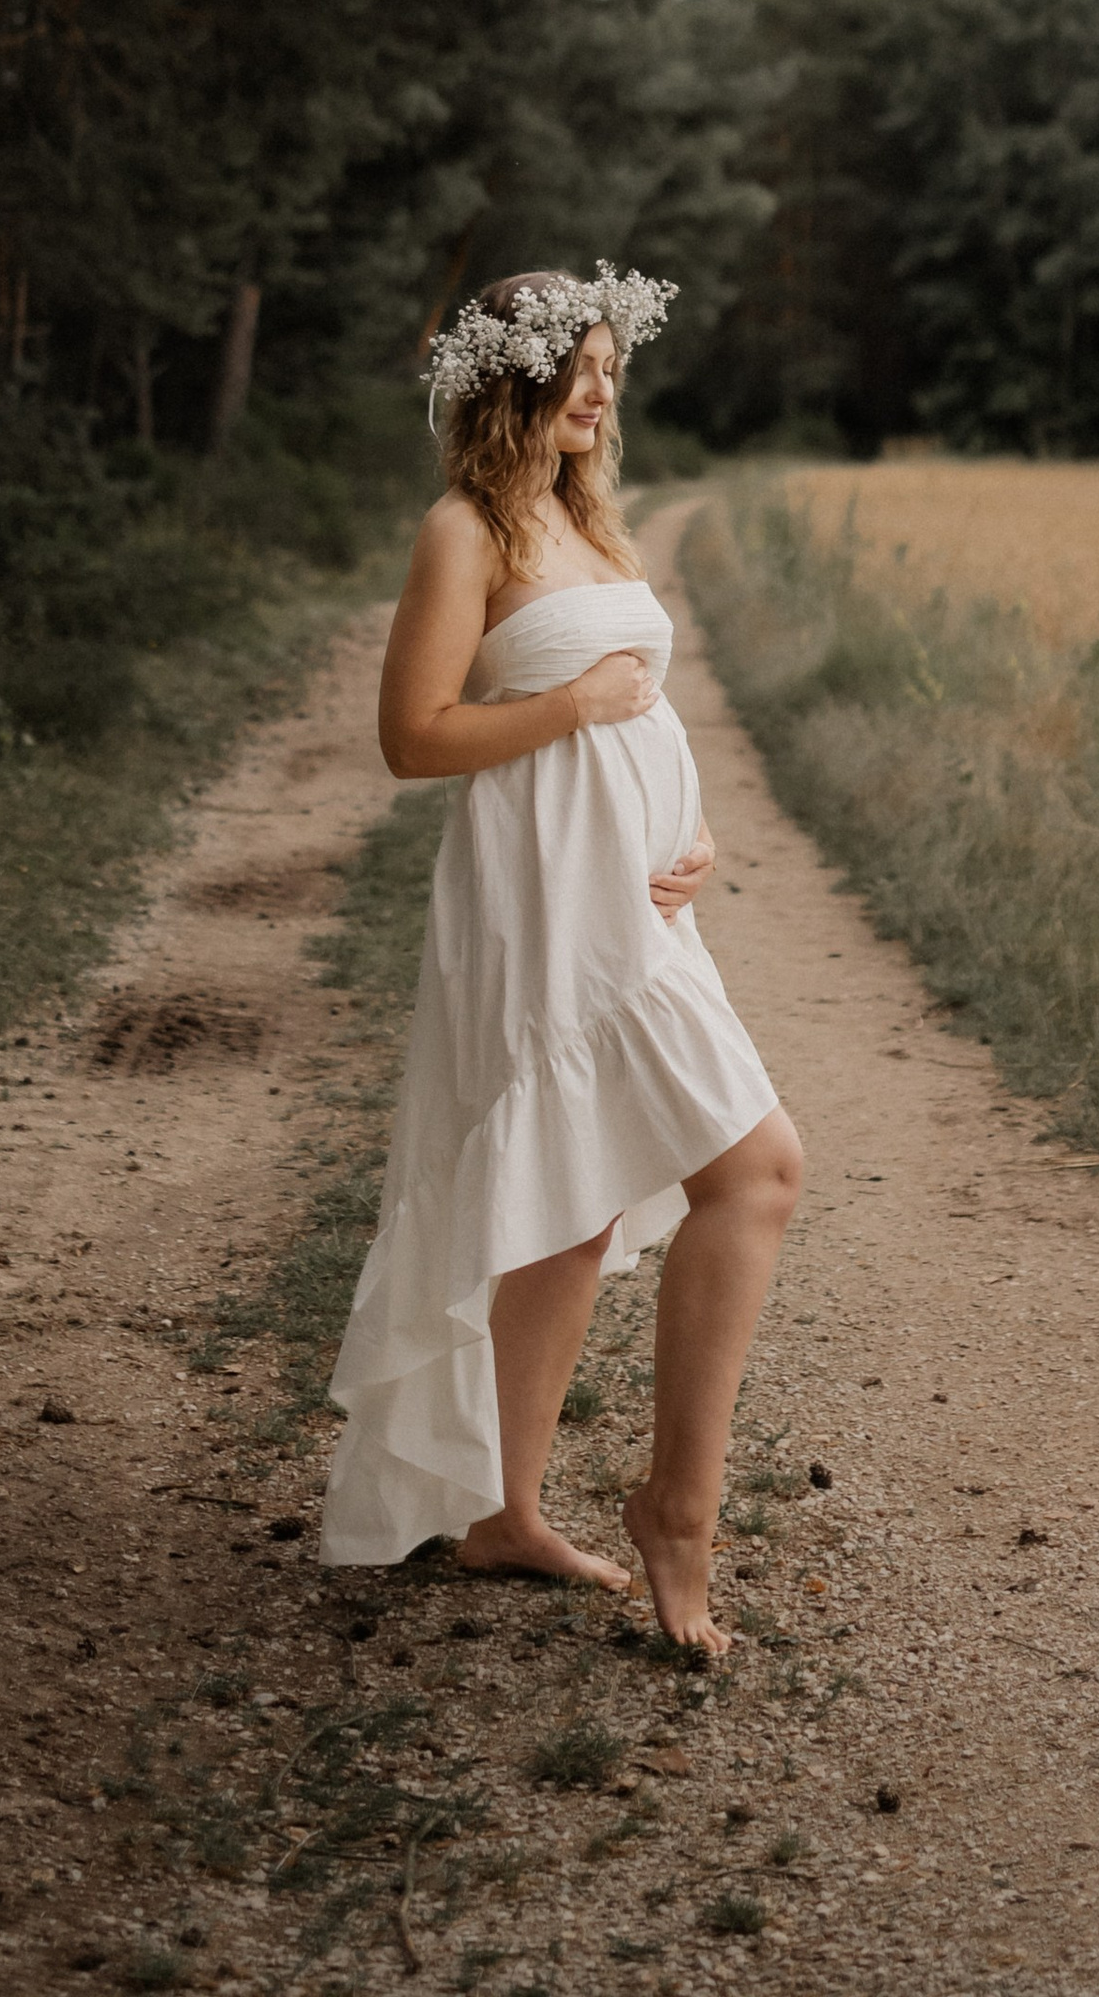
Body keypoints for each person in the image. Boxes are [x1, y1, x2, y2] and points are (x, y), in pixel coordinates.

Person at [318, 264, 803, 1651]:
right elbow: (413, 740)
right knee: (758, 1168)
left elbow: (644, 711)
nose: (602, 390)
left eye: (610, 366)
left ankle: (502, 1516)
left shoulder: (595, 522)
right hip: (539, 898)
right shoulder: (463, 530)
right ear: (508, 380)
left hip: (644, 902)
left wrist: (694, 825)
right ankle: (678, 1514)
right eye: (577, 367)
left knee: (579, 1200)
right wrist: (574, 703)